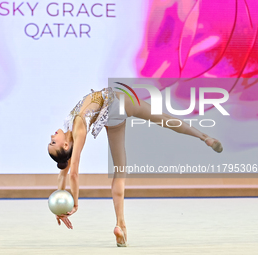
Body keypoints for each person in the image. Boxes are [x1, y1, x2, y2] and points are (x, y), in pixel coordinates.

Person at [47, 85, 223, 247]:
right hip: (115, 101)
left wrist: (60, 206)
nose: (52, 135)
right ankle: (204, 137)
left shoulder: (70, 129)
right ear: (65, 146)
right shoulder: (78, 130)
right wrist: (75, 204)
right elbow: (73, 173)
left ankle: (121, 225)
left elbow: (64, 172)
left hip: (109, 114)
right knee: (163, 118)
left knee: (120, 171)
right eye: (53, 142)